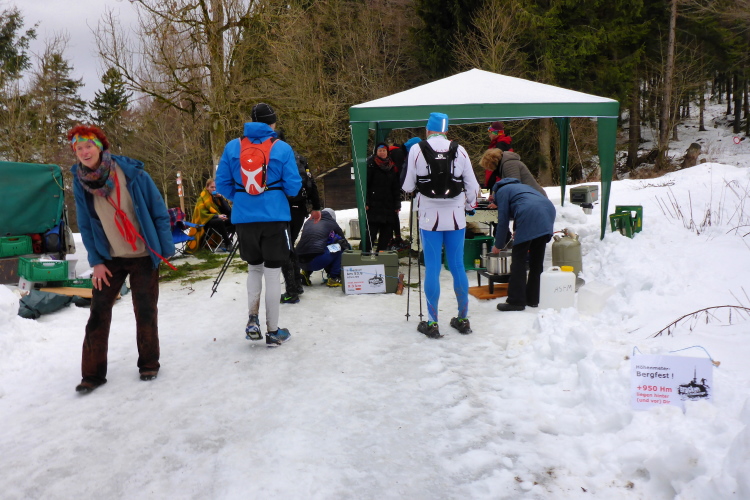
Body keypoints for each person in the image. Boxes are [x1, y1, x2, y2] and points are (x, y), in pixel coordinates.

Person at [68, 124, 174, 393]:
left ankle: (149, 363)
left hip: (143, 255)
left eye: (88, 146)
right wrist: (96, 262)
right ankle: (92, 375)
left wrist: (164, 249)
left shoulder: (132, 173)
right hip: (109, 258)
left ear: (100, 146)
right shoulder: (80, 181)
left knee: (145, 310)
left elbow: (158, 211)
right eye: (79, 148)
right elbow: (85, 224)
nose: (84, 152)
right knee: (98, 312)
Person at [215, 103, 302, 346]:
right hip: (274, 217)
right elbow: (294, 186)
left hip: (244, 218)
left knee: (254, 269)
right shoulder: (281, 147)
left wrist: (242, 198)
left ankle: (252, 318)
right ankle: (273, 331)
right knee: (272, 274)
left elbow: (222, 184)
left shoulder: (233, 147)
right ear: (272, 123)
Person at [402, 112, 480, 338]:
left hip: (429, 217)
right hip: (456, 217)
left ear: (428, 129)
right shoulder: (460, 150)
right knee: (457, 266)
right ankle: (463, 319)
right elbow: (473, 186)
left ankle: (432, 322)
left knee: (433, 268)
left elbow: (408, 186)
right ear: (446, 130)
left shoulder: (417, 149)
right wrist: (469, 205)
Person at [491, 178, 556, 312]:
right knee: (536, 262)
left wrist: (498, 244)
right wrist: (518, 230)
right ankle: (533, 298)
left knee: (518, 261)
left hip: (530, 213)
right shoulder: (523, 187)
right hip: (548, 212)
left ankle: (516, 301)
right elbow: (522, 207)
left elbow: (503, 221)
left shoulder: (501, 191)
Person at [280, 147, 321, 304]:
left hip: (283, 209)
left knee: (284, 248)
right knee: (289, 245)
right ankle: (296, 285)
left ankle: (292, 290)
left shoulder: (275, 158)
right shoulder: (300, 159)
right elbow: (312, 182)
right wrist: (316, 207)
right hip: (300, 208)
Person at [295, 208, 349, 287]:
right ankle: (334, 278)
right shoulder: (331, 222)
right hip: (317, 262)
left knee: (311, 248)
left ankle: (306, 273)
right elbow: (344, 241)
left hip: (299, 261)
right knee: (340, 247)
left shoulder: (309, 221)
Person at [366, 143, 401, 252]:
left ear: (387, 152)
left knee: (386, 233)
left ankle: (381, 254)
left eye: (384, 150)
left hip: (388, 205)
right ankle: (365, 253)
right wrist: (366, 201)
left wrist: (397, 204)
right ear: (376, 152)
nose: (382, 153)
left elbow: (395, 187)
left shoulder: (391, 166)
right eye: (380, 151)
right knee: (371, 233)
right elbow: (366, 185)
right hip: (374, 205)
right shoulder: (371, 165)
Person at [187, 178, 234, 252]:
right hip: (206, 222)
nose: (214, 189)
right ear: (207, 187)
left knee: (234, 219)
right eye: (212, 187)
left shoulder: (218, 198)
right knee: (219, 221)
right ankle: (228, 243)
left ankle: (227, 240)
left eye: (215, 187)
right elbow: (203, 214)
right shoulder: (202, 199)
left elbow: (228, 210)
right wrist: (218, 216)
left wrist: (221, 198)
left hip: (219, 221)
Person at [479, 148, 547, 197]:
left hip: (536, 198)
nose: (490, 170)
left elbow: (514, 188)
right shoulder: (505, 165)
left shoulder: (509, 165)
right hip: (531, 197)